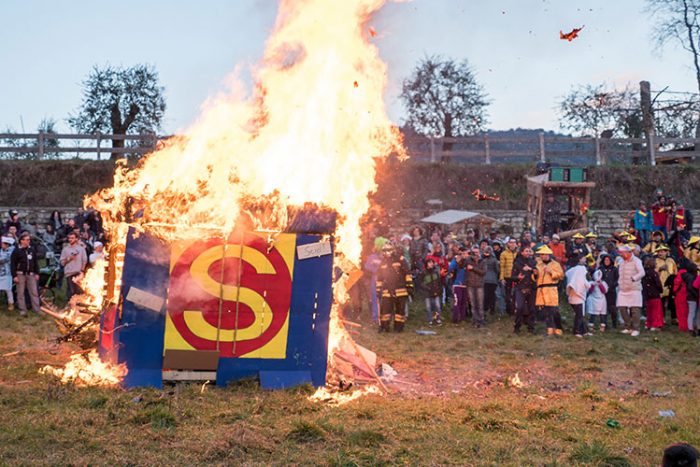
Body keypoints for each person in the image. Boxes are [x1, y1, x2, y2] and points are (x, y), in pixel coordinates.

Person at [377, 243, 413, 332]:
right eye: (385, 251)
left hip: (400, 289)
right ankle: (385, 327)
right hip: (387, 290)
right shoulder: (382, 262)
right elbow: (379, 278)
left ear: (393, 250)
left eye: (388, 250)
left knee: (400, 311)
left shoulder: (400, 259)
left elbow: (407, 273)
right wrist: (378, 290)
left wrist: (409, 286)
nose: (387, 253)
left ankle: (399, 328)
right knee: (385, 310)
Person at [534, 245, 564, 336]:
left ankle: (558, 328)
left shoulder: (555, 264)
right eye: (542, 254)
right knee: (546, 311)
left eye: (546, 254)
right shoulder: (538, 265)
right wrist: (535, 275)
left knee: (554, 310)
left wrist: (551, 272)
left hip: (551, 289)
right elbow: (535, 278)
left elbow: (561, 275)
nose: (544, 256)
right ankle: (549, 329)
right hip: (541, 289)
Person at [617, 244, 645, 337]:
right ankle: (628, 327)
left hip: (634, 288)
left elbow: (642, 272)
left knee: (635, 309)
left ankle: (636, 328)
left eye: (622, 253)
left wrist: (634, 278)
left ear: (628, 252)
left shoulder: (637, 261)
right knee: (622, 308)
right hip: (623, 288)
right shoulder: (621, 262)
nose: (621, 255)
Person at [10, 233, 41, 316]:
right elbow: (13, 264)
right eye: (27, 240)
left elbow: (35, 262)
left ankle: (37, 309)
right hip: (20, 274)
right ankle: (23, 310)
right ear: (21, 241)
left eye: (29, 240)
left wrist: (37, 273)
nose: (28, 241)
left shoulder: (31, 250)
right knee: (20, 293)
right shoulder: (16, 251)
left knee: (34, 292)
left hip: (31, 274)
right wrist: (14, 276)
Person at [512, 245, 538, 334]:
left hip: (531, 288)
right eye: (526, 251)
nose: (528, 253)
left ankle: (531, 327)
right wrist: (517, 277)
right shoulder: (517, 263)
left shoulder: (533, 262)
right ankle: (517, 327)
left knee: (532, 309)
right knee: (519, 308)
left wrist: (531, 270)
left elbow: (537, 275)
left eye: (529, 251)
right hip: (521, 288)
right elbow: (512, 276)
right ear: (522, 252)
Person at [566, 254, 590, 337]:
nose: (585, 260)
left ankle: (584, 330)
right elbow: (582, 281)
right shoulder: (581, 269)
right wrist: (589, 285)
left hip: (572, 294)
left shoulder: (572, 270)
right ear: (579, 259)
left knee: (579, 314)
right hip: (578, 294)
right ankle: (577, 331)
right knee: (579, 315)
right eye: (584, 258)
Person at [60, 231, 88, 300]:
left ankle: (79, 307)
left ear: (76, 239)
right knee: (72, 292)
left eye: (72, 238)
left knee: (80, 291)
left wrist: (82, 270)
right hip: (69, 273)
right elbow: (62, 263)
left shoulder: (81, 249)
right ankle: (71, 307)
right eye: (69, 238)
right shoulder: (65, 249)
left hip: (78, 272)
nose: (70, 240)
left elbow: (84, 260)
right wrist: (69, 259)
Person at [464, 246, 486, 328]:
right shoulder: (468, 261)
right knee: (473, 304)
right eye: (474, 252)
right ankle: (475, 320)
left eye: (477, 252)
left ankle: (481, 320)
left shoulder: (483, 261)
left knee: (480, 304)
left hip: (479, 285)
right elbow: (461, 265)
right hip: (470, 284)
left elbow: (483, 272)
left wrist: (473, 268)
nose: (475, 254)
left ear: (479, 253)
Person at [655, 244, 678, 323]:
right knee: (661, 302)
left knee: (673, 302)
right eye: (658, 252)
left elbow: (675, 271)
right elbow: (653, 273)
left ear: (666, 252)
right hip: (661, 284)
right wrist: (660, 269)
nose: (660, 253)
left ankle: (674, 318)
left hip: (671, 284)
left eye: (662, 251)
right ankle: (662, 318)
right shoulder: (655, 261)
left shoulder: (671, 260)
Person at [642, 256, 665, 331]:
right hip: (655, 294)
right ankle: (655, 325)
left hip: (647, 294)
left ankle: (648, 324)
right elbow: (658, 283)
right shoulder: (654, 273)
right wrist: (661, 290)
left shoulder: (644, 273)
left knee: (649, 311)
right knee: (656, 310)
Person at [448, 248, 470, 323]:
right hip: (457, 284)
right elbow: (450, 268)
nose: (463, 255)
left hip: (465, 284)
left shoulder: (468, 261)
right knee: (457, 301)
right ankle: (455, 318)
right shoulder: (456, 260)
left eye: (465, 253)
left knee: (464, 302)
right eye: (461, 253)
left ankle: (462, 318)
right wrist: (456, 261)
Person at [599, 254, 619, 328]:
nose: (606, 261)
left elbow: (617, 279)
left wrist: (613, 285)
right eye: (605, 260)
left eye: (608, 260)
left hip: (611, 291)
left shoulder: (614, 269)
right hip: (602, 291)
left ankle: (614, 324)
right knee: (603, 308)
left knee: (612, 308)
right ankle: (604, 323)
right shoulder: (600, 269)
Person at [499, 237, 518, 316]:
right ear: (508, 243)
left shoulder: (518, 253)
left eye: (514, 242)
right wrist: (502, 278)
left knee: (516, 294)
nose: (512, 244)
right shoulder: (504, 254)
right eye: (511, 242)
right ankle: (509, 310)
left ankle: (515, 310)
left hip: (517, 277)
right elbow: (502, 266)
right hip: (508, 276)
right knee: (508, 295)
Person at [422, 258, 442, 325]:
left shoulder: (436, 272)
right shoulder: (423, 272)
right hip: (427, 293)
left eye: (432, 262)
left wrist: (439, 290)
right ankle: (430, 319)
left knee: (438, 306)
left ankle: (438, 319)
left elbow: (439, 282)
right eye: (429, 262)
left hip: (436, 291)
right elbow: (421, 283)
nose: (431, 264)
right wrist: (428, 288)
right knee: (428, 307)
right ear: (426, 264)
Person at [681, 261, 699, 336]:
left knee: (691, 312)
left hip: (689, 296)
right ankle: (690, 328)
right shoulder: (691, 277)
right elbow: (691, 287)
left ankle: (692, 326)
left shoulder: (686, 276)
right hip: (692, 297)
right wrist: (696, 295)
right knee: (692, 313)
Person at [482, 246, 500, 317]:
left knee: (486, 295)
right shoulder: (494, 260)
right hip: (493, 280)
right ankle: (492, 309)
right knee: (492, 295)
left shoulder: (483, 260)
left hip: (485, 280)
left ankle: (485, 308)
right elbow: (497, 270)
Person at [674, 261, 691, 333]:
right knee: (688, 311)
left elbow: (677, 283)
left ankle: (683, 326)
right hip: (689, 293)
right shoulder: (690, 272)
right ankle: (689, 325)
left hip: (680, 293)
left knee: (681, 311)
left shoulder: (680, 273)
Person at [0, 236, 15, 311]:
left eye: (2, 243)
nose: (1, 244)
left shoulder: (11, 251)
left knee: (8, 289)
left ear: (6, 244)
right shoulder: (1, 251)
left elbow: (5, 260)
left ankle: (11, 304)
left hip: (7, 273)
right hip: (0, 273)